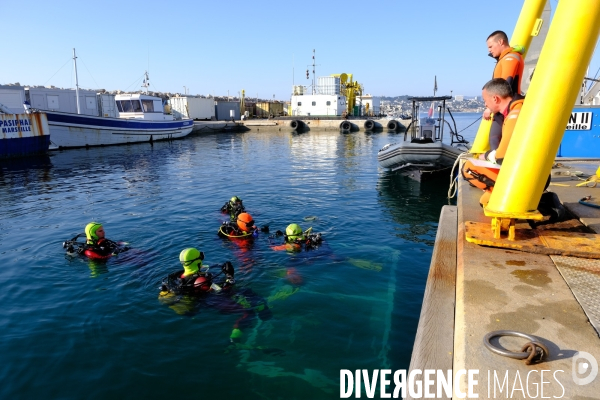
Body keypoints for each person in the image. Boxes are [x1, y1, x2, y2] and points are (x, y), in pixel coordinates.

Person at [484, 30, 525, 151]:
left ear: (501, 42)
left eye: (491, 46)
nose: (489, 50)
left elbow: (505, 84)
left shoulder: (510, 58)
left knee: (495, 139)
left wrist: (490, 107)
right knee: (495, 140)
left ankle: (499, 164)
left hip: (506, 106)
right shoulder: (505, 58)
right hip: (503, 106)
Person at [63, 222, 128, 259]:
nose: (104, 232)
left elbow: (113, 244)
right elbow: (101, 258)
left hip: (125, 253)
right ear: (92, 234)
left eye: (103, 230)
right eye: (100, 231)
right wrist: (113, 255)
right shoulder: (89, 251)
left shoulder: (103, 241)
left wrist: (123, 243)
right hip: (119, 259)